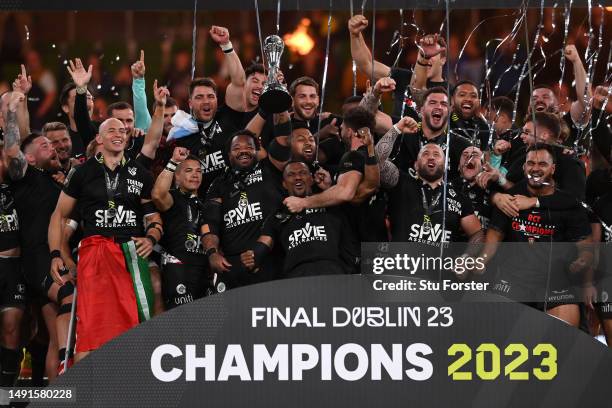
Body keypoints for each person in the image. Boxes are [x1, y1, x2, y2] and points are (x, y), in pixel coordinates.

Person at [47, 117, 162, 362]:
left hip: (131, 253)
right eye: (111, 130)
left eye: (122, 130)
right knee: (91, 329)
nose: (118, 134)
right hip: (95, 253)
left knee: (135, 326)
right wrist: (56, 255)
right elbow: (59, 215)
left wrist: (151, 238)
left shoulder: (140, 173)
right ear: (99, 138)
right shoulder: (82, 172)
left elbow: (153, 217)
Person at [483, 145, 592, 327]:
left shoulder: (568, 203)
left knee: (562, 338)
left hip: (556, 282)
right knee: (498, 333)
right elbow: (492, 240)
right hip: (513, 281)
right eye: (530, 163)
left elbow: (586, 245)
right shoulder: (508, 199)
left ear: (553, 169)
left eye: (542, 164)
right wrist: (479, 262)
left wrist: (584, 258)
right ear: (524, 167)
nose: (535, 168)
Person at [4, 92, 72, 379]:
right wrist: (10, 112)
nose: (53, 149)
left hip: (45, 259)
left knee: (54, 339)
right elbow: (12, 150)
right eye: (46, 146)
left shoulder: (50, 179)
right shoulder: (26, 175)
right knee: (72, 297)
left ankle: (54, 394)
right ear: (29, 158)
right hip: (38, 260)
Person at [241, 160, 351, 277]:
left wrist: (328, 188)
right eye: (291, 175)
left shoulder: (329, 203)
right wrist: (253, 255)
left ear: (311, 179)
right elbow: (265, 242)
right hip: (297, 276)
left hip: (332, 270)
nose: (298, 177)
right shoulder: (278, 214)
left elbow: (344, 194)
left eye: (303, 173)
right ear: (284, 183)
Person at [201, 130, 283, 289]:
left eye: (249, 147)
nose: (244, 151)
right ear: (229, 154)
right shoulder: (219, 184)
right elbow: (210, 223)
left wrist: (259, 251)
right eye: (237, 148)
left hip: (269, 260)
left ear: (257, 151)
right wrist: (212, 253)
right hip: (232, 266)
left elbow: (284, 139)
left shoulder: (270, 172)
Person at [348, 14, 447, 116]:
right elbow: (366, 64)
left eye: (432, 54)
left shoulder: (452, 92)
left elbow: (456, 120)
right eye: (423, 53)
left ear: (443, 60)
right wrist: (355, 35)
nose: (426, 58)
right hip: (396, 132)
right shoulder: (403, 77)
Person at [387, 143, 482, 247]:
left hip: (440, 262)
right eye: (425, 154)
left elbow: (477, 234)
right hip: (402, 261)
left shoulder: (459, 197)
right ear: (416, 165)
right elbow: (378, 163)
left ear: (446, 165)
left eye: (436, 154)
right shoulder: (400, 182)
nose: (431, 157)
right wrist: (396, 129)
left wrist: (466, 258)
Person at [376, 87, 470, 186]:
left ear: (450, 111)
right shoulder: (402, 137)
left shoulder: (462, 146)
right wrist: (396, 129)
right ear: (421, 110)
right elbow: (376, 164)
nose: (439, 107)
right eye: (432, 103)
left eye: (444, 104)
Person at [152, 147, 208, 309]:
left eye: (199, 171)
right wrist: (173, 162)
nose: (195, 175)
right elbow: (157, 195)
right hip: (178, 269)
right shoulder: (172, 198)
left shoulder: (206, 205)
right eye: (189, 171)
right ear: (177, 175)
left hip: (203, 269)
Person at [0, 92, 26, 387]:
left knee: (12, 327)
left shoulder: (14, 160)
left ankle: (6, 391)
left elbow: (14, 160)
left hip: (14, 262)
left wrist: (11, 114)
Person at [450, 80, 490, 149]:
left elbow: (486, 156)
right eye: (462, 95)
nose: (468, 99)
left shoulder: (483, 126)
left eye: (473, 96)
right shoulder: (445, 123)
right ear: (452, 100)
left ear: (478, 101)